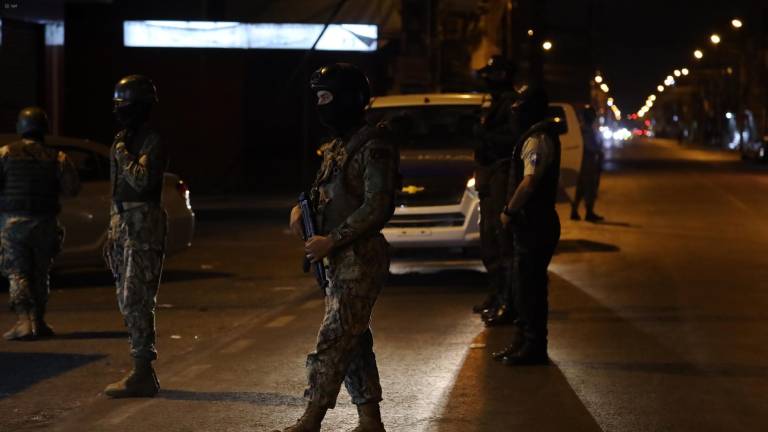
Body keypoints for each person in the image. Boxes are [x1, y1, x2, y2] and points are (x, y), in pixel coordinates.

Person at [278, 63, 398, 432]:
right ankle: (369, 420)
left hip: (358, 258)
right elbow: (327, 192)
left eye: (326, 97)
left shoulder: (373, 146)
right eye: (317, 97)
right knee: (354, 340)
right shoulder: (337, 148)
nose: (320, 105)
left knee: (333, 338)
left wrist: (333, 238)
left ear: (348, 99)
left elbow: (378, 206)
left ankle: (311, 419)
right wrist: (303, 210)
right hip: (336, 259)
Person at [103, 75, 169, 398]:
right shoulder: (122, 139)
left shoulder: (150, 140)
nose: (119, 111)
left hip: (144, 227)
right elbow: (117, 191)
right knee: (124, 298)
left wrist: (123, 154)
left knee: (136, 297)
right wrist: (111, 230)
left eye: (123, 105)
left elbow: (143, 182)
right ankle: (140, 370)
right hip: (123, 226)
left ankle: (142, 370)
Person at [0, 107, 80, 340]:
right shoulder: (58, 157)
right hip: (45, 222)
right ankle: (40, 321)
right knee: (41, 272)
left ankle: (25, 322)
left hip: (14, 224)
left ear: (20, 127)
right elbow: (72, 188)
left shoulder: (5, 153)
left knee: (17, 272)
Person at [496, 87, 561, 365]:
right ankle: (521, 341)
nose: (514, 115)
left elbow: (529, 182)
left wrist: (509, 210)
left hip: (536, 223)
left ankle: (534, 346)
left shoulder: (537, 140)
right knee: (522, 286)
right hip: (531, 224)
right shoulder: (533, 137)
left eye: (518, 109)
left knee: (531, 288)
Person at [472, 55, 521, 326]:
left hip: (502, 175)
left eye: (492, 75)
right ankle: (496, 294)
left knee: (501, 240)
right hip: (489, 177)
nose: (487, 80)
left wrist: (483, 135)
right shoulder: (495, 103)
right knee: (489, 240)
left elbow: (513, 141)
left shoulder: (512, 102)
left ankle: (506, 300)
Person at [571, 106, 604, 222]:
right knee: (589, 188)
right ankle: (589, 213)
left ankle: (574, 211)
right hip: (587, 162)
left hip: (580, 162)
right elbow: (591, 147)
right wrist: (599, 153)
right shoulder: (586, 130)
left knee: (580, 188)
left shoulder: (580, 129)